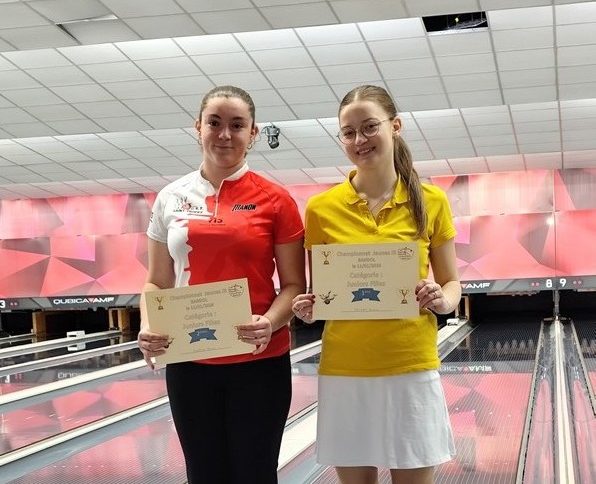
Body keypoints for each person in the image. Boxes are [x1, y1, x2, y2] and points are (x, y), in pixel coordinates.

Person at [292, 85, 461, 484]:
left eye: (369, 127)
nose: (359, 140)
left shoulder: (431, 201)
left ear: (395, 126)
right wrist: (309, 308)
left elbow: (452, 282)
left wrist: (442, 300)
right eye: (348, 132)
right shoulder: (320, 209)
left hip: (411, 366)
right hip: (345, 370)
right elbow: (324, 294)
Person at [137, 85, 306, 484]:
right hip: (190, 364)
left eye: (237, 125)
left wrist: (270, 322)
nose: (225, 134)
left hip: (259, 362)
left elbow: (294, 284)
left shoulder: (276, 199)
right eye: (214, 123)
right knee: (204, 474)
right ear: (198, 127)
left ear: (254, 133)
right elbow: (156, 282)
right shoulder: (170, 197)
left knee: (255, 474)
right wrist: (147, 324)